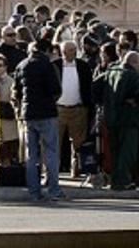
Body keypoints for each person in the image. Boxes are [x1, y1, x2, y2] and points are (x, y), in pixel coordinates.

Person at [13, 39, 64, 201]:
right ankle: (54, 190)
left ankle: (34, 192)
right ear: (47, 50)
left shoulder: (22, 65)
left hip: (28, 113)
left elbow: (17, 92)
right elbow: (56, 90)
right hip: (47, 113)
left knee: (31, 155)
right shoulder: (48, 65)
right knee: (51, 152)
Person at [99, 51, 139, 190]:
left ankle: (114, 179)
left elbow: (96, 88)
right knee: (128, 151)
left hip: (111, 117)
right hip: (129, 119)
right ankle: (123, 180)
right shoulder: (134, 76)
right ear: (134, 62)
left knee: (114, 150)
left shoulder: (110, 72)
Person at [53, 41, 93, 178]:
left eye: (74, 49)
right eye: (70, 50)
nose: (73, 52)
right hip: (58, 109)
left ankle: (76, 170)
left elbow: (88, 86)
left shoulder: (83, 66)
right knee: (54, 142)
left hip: (78, 109)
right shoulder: (55, 66)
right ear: (62, 51)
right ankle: (52, 172)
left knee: (78, 143)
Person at [0, 54, 20, 165]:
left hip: (8, 117)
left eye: (0, 65)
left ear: (5, 67)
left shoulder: (11, 81)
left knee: (9, 145)